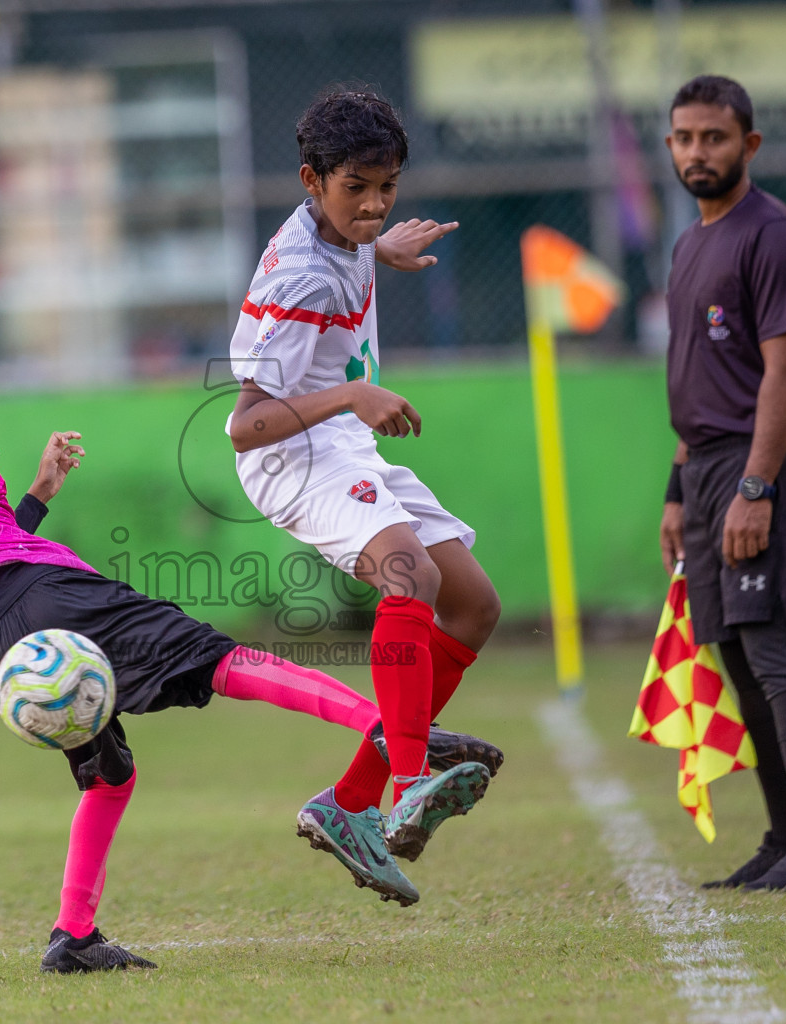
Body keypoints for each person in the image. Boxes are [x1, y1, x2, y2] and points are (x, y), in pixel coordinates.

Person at [0, 379, 500, 974]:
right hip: (45, 600)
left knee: (110, 777)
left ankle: (73, 936)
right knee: (222, 661)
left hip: (0, 653)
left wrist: (40, 495)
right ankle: (392, 729)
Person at [225, 90, 505, 872]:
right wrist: (352, 392)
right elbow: (245, 426)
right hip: (291, 454)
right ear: (313, 181)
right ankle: (411, 780)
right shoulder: (300, 281)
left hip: (340, 442)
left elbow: (345, 246)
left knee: (473, 605)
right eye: (359, 189)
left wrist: (377, 247)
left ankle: (348, 805)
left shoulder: (341, 230)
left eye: (388, 187)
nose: (376, 205)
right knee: (409, 576)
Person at [658, 75, 786, 890]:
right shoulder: (688, 244)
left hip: (756, 468)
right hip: (702, 469)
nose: (697, 152)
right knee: (738, 654)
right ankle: (784, 841)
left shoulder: (772, 233)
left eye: (714, 137)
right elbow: (696, 380)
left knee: (777, 648)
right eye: (684, 138)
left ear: (750, 144)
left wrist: (757, 488)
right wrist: (674, 492)